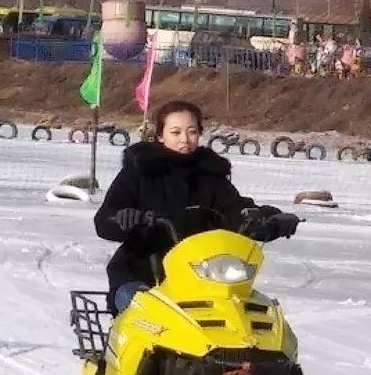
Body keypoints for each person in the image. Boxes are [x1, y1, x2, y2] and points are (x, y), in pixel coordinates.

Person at [94, 99, 299, 313]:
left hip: (204, 276)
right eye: (175, 132)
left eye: (191, 131)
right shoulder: (139, 171)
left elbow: (236, 209)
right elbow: (105, 219)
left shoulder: (210, 174)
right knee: (147, 312)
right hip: (143, 271)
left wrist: (269, 219)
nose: (184, 139)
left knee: (249, 317)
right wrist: (125, 219)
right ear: (160, 136)